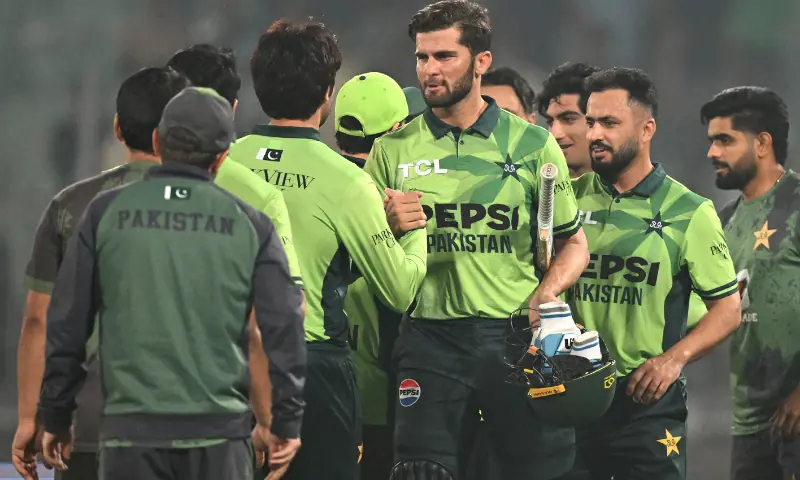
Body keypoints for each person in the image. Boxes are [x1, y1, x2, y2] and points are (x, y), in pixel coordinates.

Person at [365, 1, 590, 478]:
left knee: (535, 471)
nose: (429, 70)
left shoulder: (533, 145)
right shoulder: (392, 149)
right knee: (419, 471)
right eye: (422, 57)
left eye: (444, 56)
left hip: (513, 337)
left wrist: (545, 295)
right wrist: (383, 227)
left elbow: (573, 242)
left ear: (481, 62)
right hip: (429, 338)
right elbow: (364, 254)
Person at [37, 86, 306, 480]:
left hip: (131, 437)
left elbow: (67, 324)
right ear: (221, 159)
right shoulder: (252, 224)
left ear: (158, 142)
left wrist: (56, 414)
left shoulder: (104, 214)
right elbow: (280, 326)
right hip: (220, 440)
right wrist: (285, 422)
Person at [225, 20, 428, 480]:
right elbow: (399, 290)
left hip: (226, 364)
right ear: (327, 95)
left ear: (259, 87)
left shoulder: (225, 160)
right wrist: (414, 226)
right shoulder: (348, 181)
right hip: (312, 366)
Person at [563, 67, 742, 480]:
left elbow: (728, 310)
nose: (595, 135)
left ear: (646, 129)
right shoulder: (566, 201)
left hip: (644, 406)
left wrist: (671, 361)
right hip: (570, 400)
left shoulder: (690, 211)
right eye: (590, 122)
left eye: (609, 123)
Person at [12, 66, 189, 480]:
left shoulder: (70, 205)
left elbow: (39, 319)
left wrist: (29, 418)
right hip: (186, 425)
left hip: (87, 421)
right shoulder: (220, 211)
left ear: (117, 128)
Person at [701, 86, 800, 480]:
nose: (712, 153)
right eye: (711, 141)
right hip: (749, 426)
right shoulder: (722, 222)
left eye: (724, 140)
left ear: (762, 143)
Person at [333, 71, 410, 479]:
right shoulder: (397, 198)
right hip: (383, 399)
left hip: (311, 388)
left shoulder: (321, 182)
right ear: (397, 129)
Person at [536, 62, 600, 179]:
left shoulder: (633, 193)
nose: (554, 134)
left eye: (569, 119)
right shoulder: (533, 192)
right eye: (550, 122)